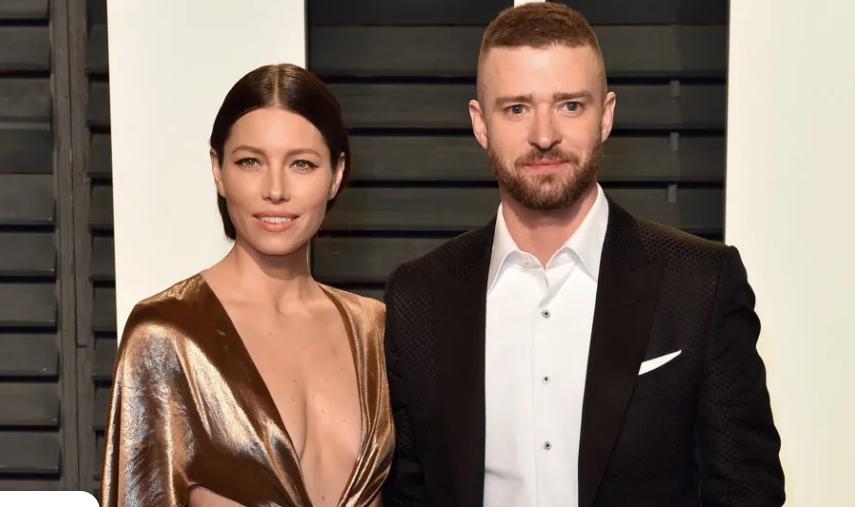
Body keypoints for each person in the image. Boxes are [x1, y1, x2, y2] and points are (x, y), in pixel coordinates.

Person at [381, 3, 785, 507]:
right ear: (480, 123)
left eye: (570, 105)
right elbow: (409, 494)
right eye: (516, 108)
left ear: (606, 116)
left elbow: (747, 494)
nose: (544, 135)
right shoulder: (418, 295)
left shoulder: (700, 283)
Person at [100, 63, 393, 507]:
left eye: (301, 164)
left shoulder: (376, 331)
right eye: (250, 161)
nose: (275, 190)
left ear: (335, 175)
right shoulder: (166, 335)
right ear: (218, 170)